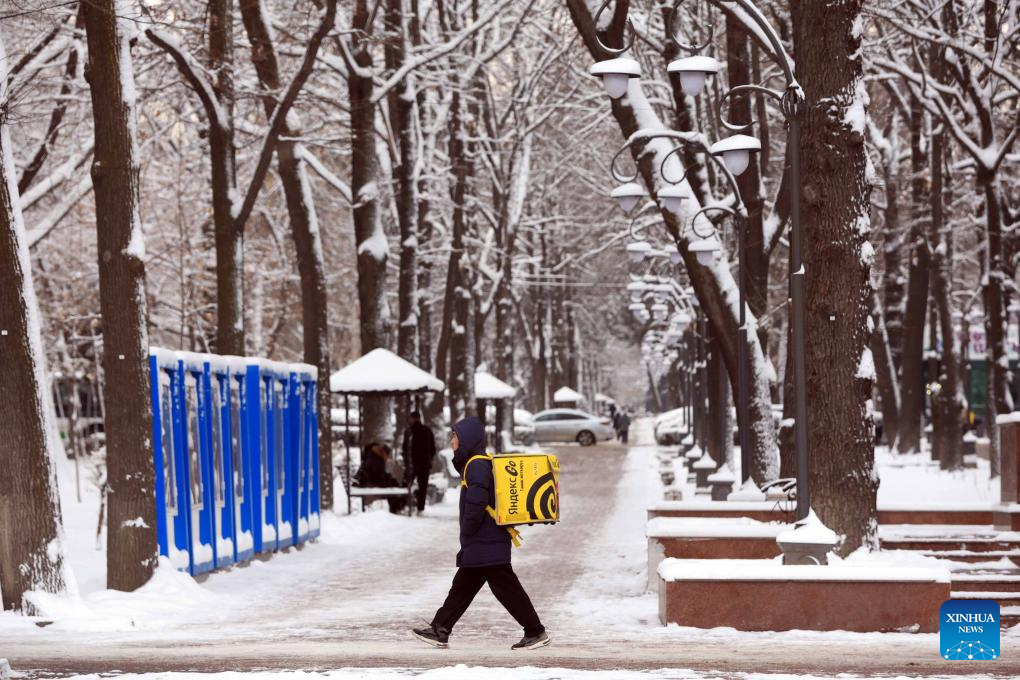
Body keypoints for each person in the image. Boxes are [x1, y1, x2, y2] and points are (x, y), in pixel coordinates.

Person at [412, 416, 550, 651]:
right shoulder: (476, 463)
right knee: (463, 587)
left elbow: (476, 502)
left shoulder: (476, 465)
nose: (452, 441)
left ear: (467, 439)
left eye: (455, 436)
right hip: (485, 539)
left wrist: (467, 529)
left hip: (485, 538)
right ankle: (440, 628)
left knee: (505, 588)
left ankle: (535, 631)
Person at [355, 442, 406, 514]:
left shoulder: (373, 455)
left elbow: (377, 474)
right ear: (384, 453)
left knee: (393, 483)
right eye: (388, 455)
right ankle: (396, 508)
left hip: (368, 481)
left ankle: (396, 507)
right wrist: (388, 479)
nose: (387, 458)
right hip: (369, 484)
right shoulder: (377, 459)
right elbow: (377, 477)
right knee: (392, 486)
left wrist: (388, 477)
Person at [402, 410, 437, 516]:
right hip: (424, 463)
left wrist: (406, 461)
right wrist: (429, 458)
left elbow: (405, 448)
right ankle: (420, 509)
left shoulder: (409, 432)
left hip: (412, 464)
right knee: (423, 487)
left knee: (406, 484)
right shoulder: (427, 430)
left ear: (412, 419)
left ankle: (404, 505)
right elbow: (433, 449)